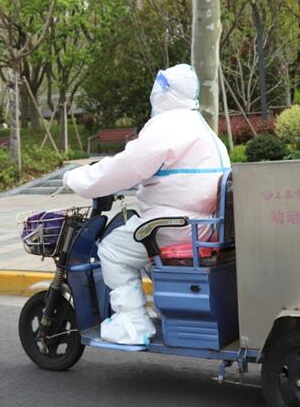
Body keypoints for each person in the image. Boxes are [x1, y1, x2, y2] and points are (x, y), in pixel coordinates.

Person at [63, 63, 230, 345]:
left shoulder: (168, 127)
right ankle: (164, 311)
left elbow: (122, 168)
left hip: (173, 226)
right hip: (203, 225)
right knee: (140, 254)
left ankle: (133, 325)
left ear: (165, 92)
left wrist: (75, 178)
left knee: (114, 250)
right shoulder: (199, 127)